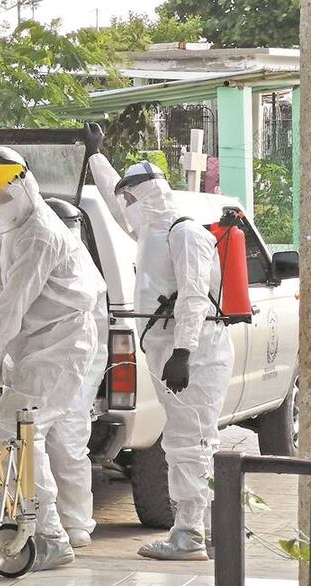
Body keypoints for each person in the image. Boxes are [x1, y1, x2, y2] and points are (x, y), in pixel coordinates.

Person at [84, 123, 234, 561]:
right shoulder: (151, 230)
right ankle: (212, 525)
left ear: (147, 196)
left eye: (132, 198)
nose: (125, 206)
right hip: (169, 349)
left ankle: (190, 534)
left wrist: (184, 352)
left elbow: (192, 296)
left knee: (189, 442)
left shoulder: (185, 234)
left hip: (197, 352)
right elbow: (115, 200)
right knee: (194, 441)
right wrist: (96, 156)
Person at [0, 147, 101, 571]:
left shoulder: (39, 231)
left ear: (22, 186)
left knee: (17, 436)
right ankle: (13, 527)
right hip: (34, 345)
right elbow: (2, 295)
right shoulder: (8, 230)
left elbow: (14, 300)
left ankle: (49, 536)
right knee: (4, 438)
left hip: (61, 345)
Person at [43, 197, 109, 548]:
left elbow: (90, 337)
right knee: (31, 443)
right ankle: (41, 518)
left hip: (76, 369)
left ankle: (75, 521)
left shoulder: (79, 269)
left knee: (67, 442)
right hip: (44, 367)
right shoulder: (42, 257)